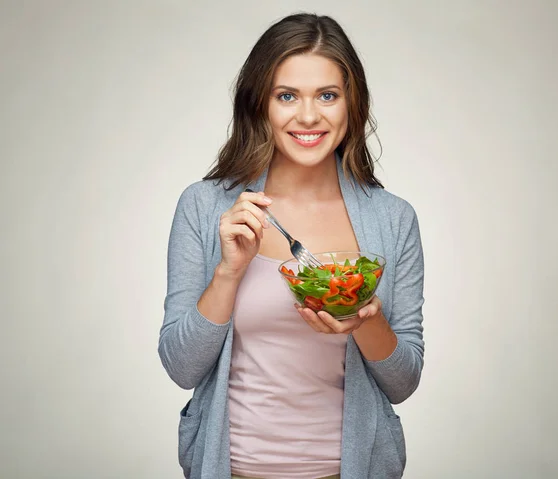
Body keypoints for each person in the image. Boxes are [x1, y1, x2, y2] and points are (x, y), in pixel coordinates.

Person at [159, 13, 425, 479]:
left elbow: (402, 383)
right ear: (260, 104)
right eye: (287, 96)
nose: (307, 116)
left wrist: (366, 317)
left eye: (327, 95)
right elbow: (181, 368)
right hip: (232, 468)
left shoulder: (392, 218)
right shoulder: (205, 207)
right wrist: (228, 272)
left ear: (352, 104)